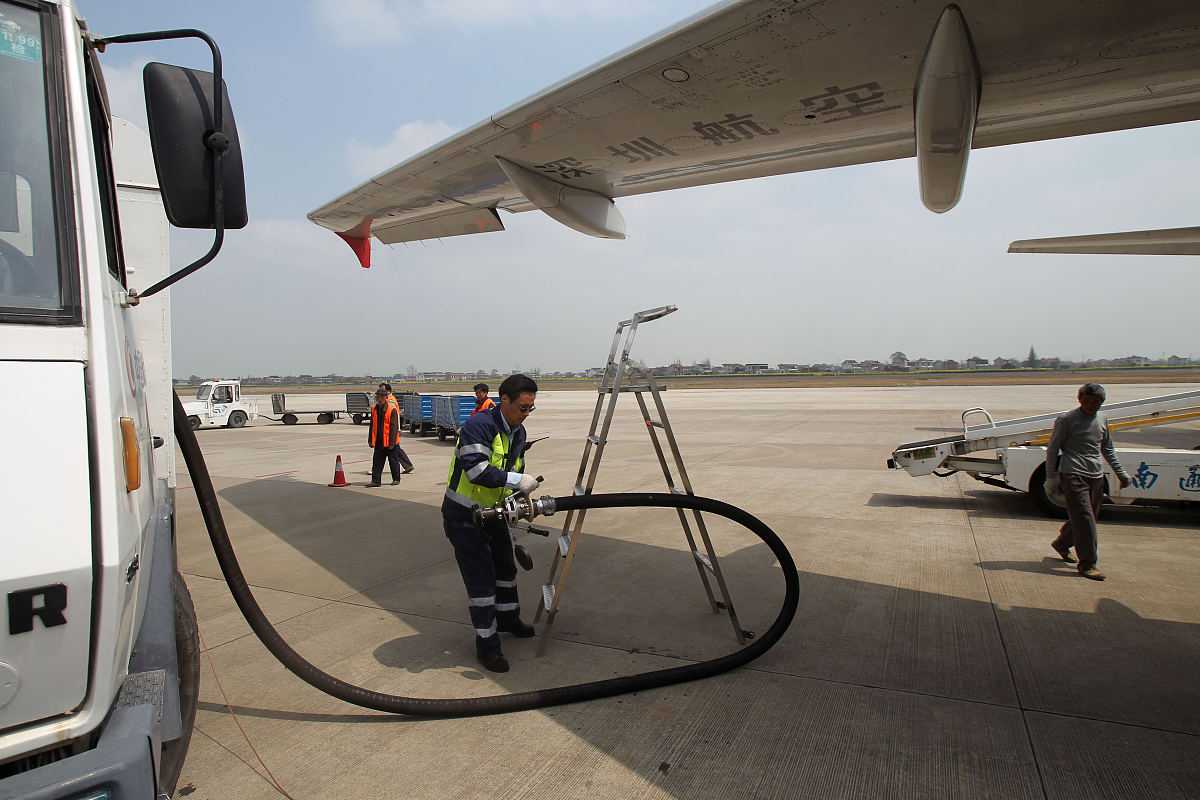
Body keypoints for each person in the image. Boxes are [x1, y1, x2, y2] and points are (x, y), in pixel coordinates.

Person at [441, 373, 540, 672]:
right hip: (464, 516)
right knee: (482, 581)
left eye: (530, 409)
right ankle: (487, 646)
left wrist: (515, 497)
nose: (525, 414)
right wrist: (518, 480)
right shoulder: (479, 426)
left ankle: (508, 620)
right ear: (504, 401)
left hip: (493, 512)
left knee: (506, 570)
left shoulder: (518, 433)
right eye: (522, 407)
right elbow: (477, 472)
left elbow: (511, 470)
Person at [1044, 383, 1132, 581]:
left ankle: (1061, 543)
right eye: (1088, 401)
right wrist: (1050, 478)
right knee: (1085, 519)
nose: (1093, 406)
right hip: (1072, 473)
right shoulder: (1067, 419)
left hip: (1096, 475)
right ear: (1080, 399)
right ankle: (1088, 564)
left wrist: (1121, 473)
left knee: (1087, 517)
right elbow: (1052, 448)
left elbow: (1107, 448)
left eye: (1097, 402)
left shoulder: (1102, 418)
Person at [366, 388, 405, 486]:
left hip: (390, 442)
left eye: (382, 397)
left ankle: (396, 479)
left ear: (386, 398)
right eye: (378, 396)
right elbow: (372, 426)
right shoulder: (374, 409)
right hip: (379, 441)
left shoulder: (391, 410)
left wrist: (392, 443)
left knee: (393, 461)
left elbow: (394, 427)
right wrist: (370, 440)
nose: (380, 399)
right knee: (377, 463)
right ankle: (375, 481)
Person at [379, 382, 413, 473]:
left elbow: (396, 415)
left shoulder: (390, 400)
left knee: (392, 448)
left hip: (392, 429)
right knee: (396, 448)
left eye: (382, 390)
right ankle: (408, 465)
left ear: (388, 391)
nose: (380, 392)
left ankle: (376, 469)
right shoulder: (387, 399)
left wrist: (398, 429)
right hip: (389, 429)